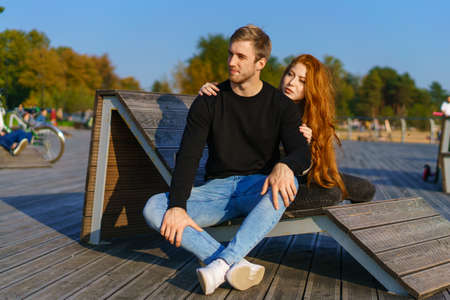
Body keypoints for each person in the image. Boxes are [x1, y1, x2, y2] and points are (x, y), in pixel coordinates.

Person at [143, 25, 311, 295]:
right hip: (215, 192)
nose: (232, 62)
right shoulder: (209, 100)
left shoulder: (280, 105)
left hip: (257, 189)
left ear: (260, 63)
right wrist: (176, 205)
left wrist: (284, 165)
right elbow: (188, 155)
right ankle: (230, 264)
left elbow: (301, 152)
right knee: (154, 207)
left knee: (286, 180)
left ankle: (219, 265)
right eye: (231, 54)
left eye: (241, 57)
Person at [199, 54, 375, 208]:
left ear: (312, 89)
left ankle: (364, 233)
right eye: (290, 75)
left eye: (302, 81)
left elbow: (311, 170)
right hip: (263, 182)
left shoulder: (311, 117)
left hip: (298, 178)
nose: (291, 83)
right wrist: (215, 90)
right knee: (331, 193)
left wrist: (307, 147)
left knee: (365, 188)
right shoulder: (267, 102)